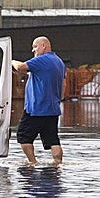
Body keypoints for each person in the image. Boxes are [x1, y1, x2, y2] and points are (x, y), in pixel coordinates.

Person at [12, 36, 65, 165]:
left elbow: (20, 67)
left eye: (35, 46)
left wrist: (11, 61)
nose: (33, 50)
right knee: (53, 140)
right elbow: (63, 85)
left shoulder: (42, 60)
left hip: (36, 109)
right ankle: (58, 163)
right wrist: (59, 99)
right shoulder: (59, 62)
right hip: (52, 108)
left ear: (44, 46)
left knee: (24, 137)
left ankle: (32, 162)